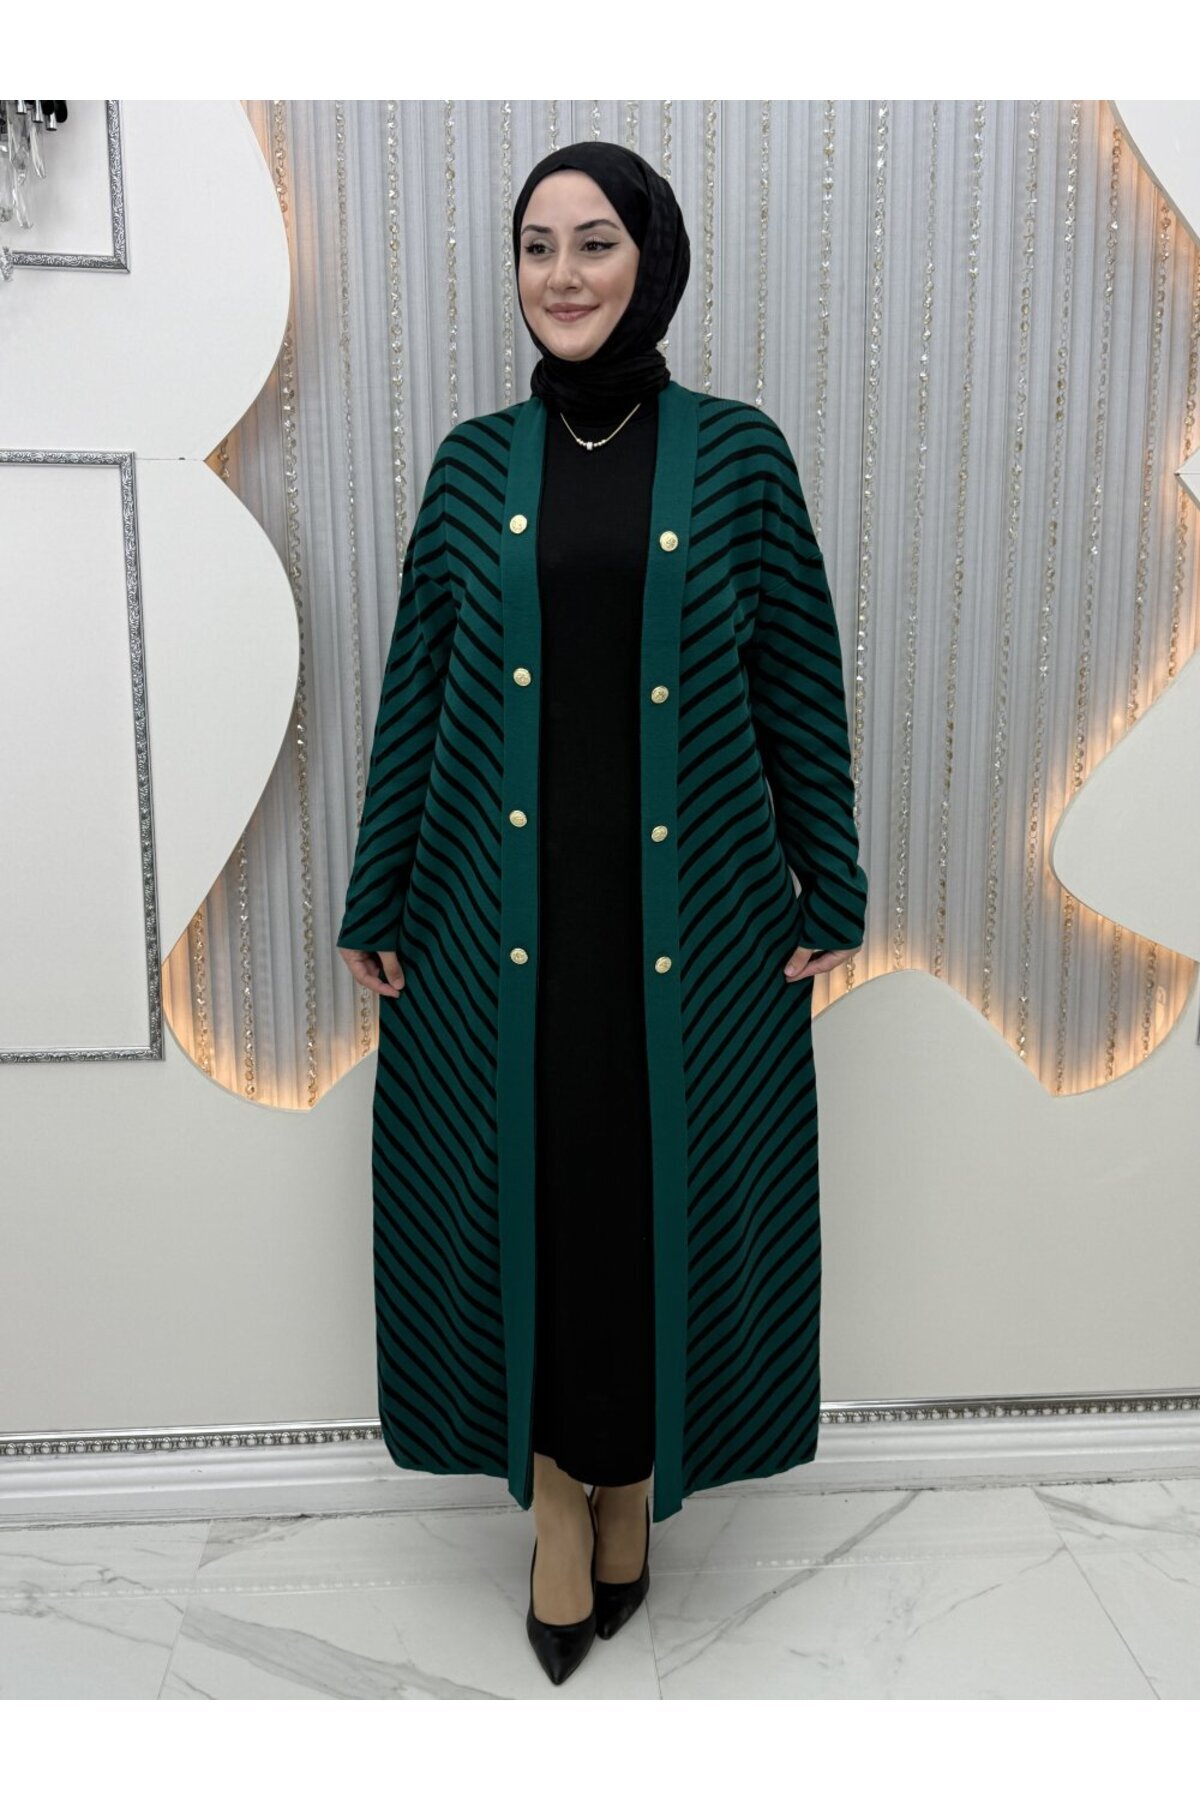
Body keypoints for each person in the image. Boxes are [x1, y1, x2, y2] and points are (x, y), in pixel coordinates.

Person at [338, 141, 868, 1686]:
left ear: (652, 260)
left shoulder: (740, 457)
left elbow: (798, 685)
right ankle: (561, 1508)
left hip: (691, 924)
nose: (561, 274)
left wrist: (832, 883)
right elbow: (417, 690)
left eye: (593, 242)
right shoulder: (471, 467)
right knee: (535, 1200)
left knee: (651, 1205)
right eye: (536, 246)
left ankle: (632, 1482)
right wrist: (376, 892)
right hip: (495, 923)